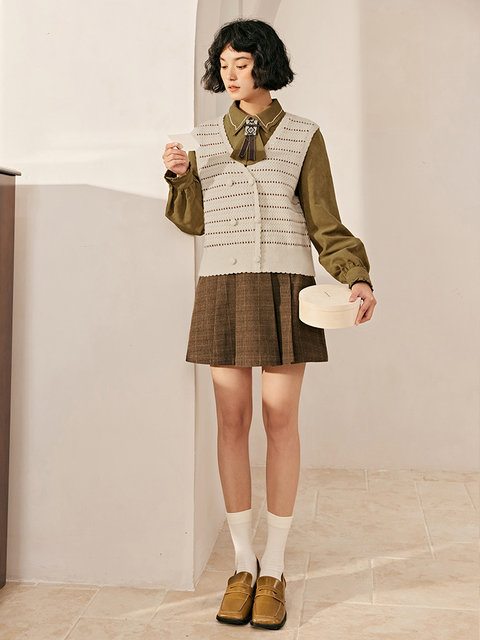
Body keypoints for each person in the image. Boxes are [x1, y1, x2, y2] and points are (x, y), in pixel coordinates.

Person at [162, 17, 377, 631]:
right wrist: (180, 178)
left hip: (287, 287)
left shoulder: (305, 135)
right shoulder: (202, 140)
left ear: (266, 64)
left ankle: (275, 568)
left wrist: (356, 275)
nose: (231, 74)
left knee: (281, 421)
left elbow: (324, 220)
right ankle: (242, 565)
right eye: (223, 65)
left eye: (242, 63)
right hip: (223, 287)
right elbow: (194, 222)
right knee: (232, 422)